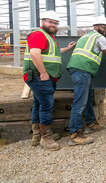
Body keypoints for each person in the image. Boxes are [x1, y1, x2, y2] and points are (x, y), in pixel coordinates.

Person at [23, 10, 76, 151]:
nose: (53, 24)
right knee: (46, 106)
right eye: (50, 22)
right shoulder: (39, 34)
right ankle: (46, 138)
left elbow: (53, 54)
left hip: (41, 77)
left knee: (38, 104)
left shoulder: (49, 37)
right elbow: (34, 53)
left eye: (55, 23)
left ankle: (36, 136)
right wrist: (43, 73)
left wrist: (68, 48)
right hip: (39, 77)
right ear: (43, 22)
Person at [66, 16, 106, 146]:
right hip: (82, 70)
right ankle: (75, 134)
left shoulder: (84, 36)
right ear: (96, 27)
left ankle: (90, 123)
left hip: (78, 69)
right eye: (103, 27)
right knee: (80, 102)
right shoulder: (100, 38)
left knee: (87, 97)